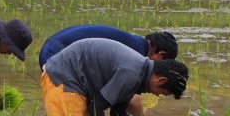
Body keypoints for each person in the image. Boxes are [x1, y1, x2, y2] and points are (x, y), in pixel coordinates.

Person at [40, 37, 189, 116]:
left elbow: (118, 115)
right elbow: (96, 108)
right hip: (63, 77)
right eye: (162, 93)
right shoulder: (131, 73)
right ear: (161, 80)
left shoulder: (140, 73)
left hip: (82, 86)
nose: (157, 95)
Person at [38, 25, 177, 68]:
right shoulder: (138, 54)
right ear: (161, 55)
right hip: (57, 51)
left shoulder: (135, 43)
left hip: (53, 46)